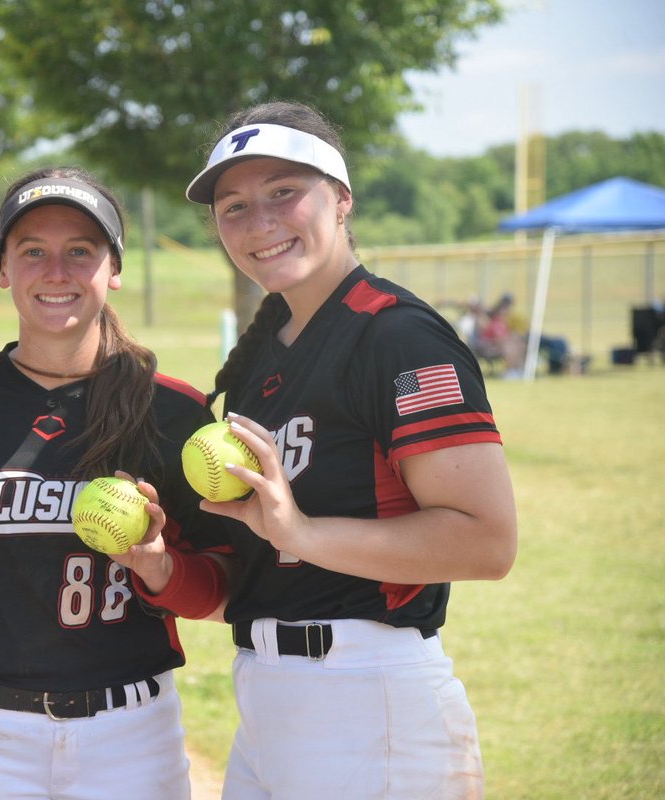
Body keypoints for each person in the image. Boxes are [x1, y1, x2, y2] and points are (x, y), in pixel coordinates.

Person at [167, 101, 519, 798]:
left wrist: (302, 530)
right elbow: (273, 563)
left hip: (367, 698)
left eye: (284, 193)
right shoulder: (262, 351)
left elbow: (488, 542)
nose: (259, 222)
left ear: (343, 198)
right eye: (233, 207)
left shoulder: (397, 337)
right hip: (269, 698)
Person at [0, 167, 227, 800]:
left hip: (131, 732)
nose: (57, 271)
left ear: (113, 269)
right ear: (4, 269)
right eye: (33, 251)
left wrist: (160, 568)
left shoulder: (173, 412)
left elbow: (223, 588)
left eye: (80, 251)